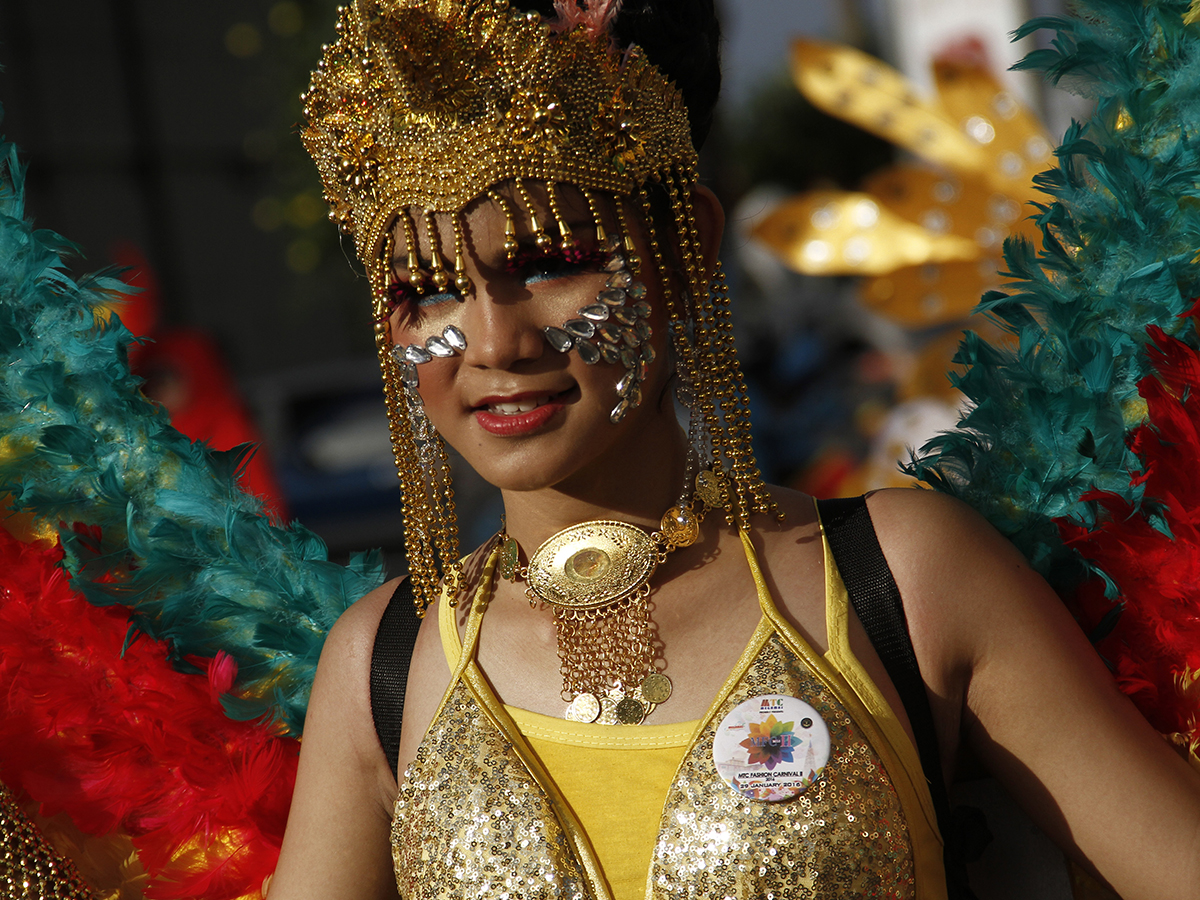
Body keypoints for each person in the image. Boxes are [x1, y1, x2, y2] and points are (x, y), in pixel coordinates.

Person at [267, 1, 1200, 898]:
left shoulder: (903, 580)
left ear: (683, 249)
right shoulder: (380, 666)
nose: (495, 344)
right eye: (426, 291)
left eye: (549, 263)